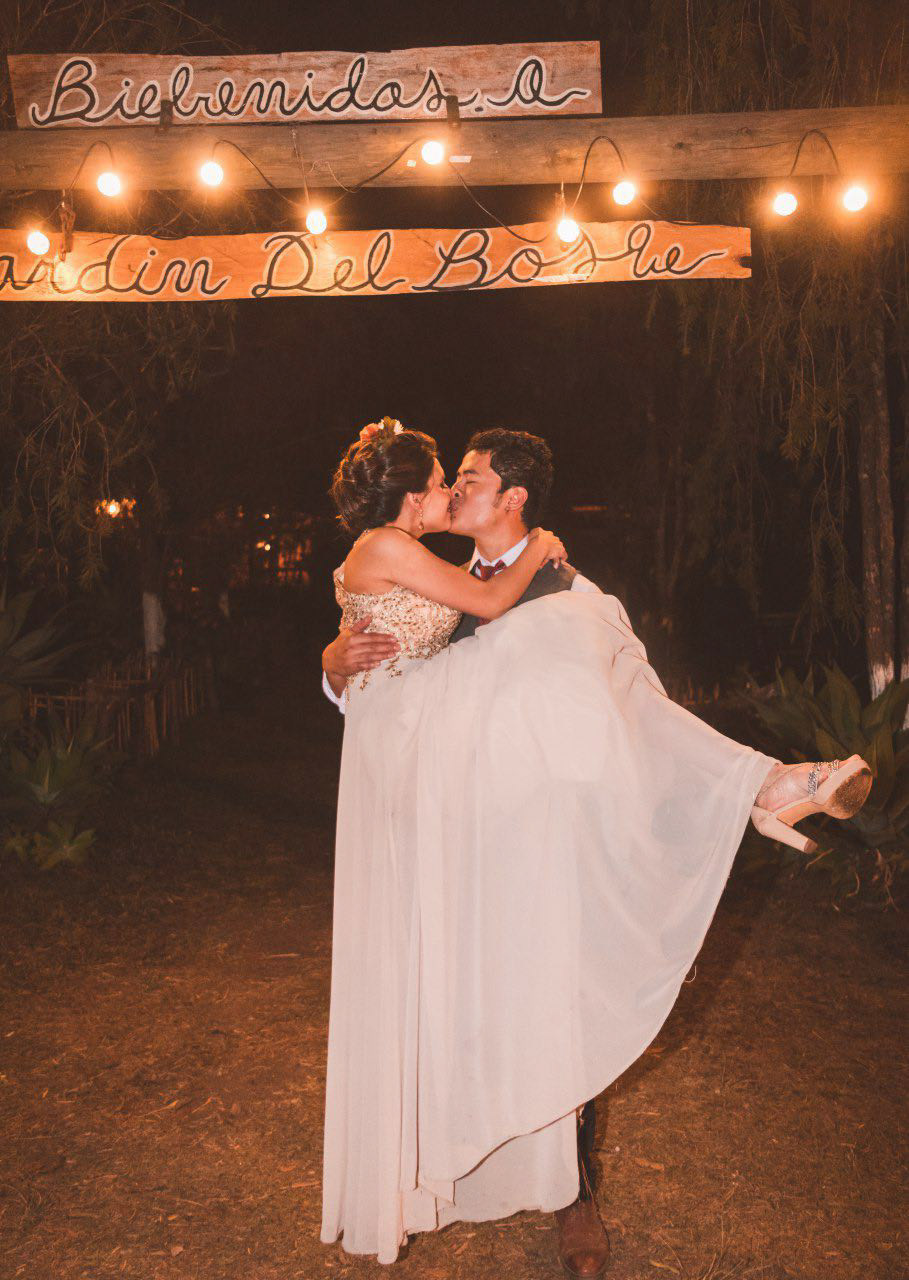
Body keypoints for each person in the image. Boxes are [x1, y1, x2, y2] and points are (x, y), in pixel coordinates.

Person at [318, 418, 872, 1272]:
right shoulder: (438, 574)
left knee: (551, 1002)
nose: (454, 489)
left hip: (544, 834)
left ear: (513, 498)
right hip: (456, 832)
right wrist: (333, 661)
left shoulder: (573, 593)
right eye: (447, 477)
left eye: (469, 478)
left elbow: (626, 699)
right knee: (459, 1001)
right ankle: (439, 1168)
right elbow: (388, 666)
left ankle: (573, 1199)